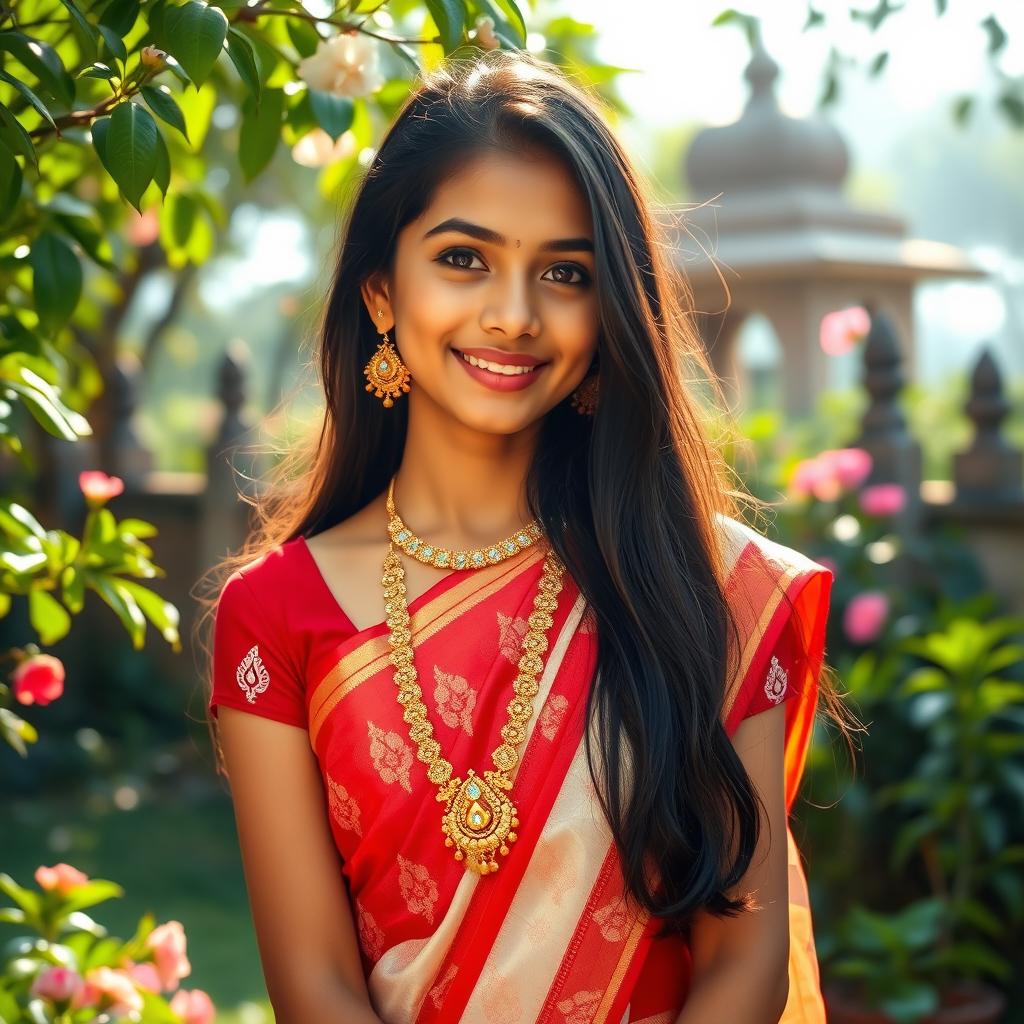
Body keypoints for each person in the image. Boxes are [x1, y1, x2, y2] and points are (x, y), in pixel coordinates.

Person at [201, 47, 855, 1024]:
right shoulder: (274, 617)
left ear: (606, 309)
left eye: (563, 272)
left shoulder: (707, 588)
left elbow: (742, 967)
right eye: (463, 258)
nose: (512, 315)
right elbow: (317, 987)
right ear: (381, 290)